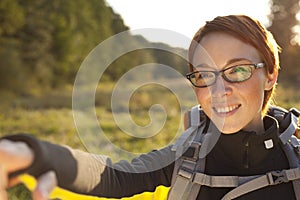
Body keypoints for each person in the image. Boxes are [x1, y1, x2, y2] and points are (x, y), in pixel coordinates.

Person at [0, 14, 299, 200]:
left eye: (237, 70)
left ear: (270, 74)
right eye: (205, 75)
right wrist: (35, 155)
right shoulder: (187, 159)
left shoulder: (295, 162)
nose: (218, 91)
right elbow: (115, 176)